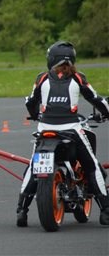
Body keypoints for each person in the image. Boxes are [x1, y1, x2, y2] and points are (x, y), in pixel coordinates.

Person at [16, 41, 109, 226]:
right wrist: (107, 112)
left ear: (51, 59)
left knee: (33, 166)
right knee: (91, 166)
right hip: (72, 130)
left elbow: (30, 101)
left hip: (44, 130)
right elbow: (96, 99)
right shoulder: (78, 77)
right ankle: (106, 210)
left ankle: (21, 211)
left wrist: (36, 115)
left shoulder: (41, 78)